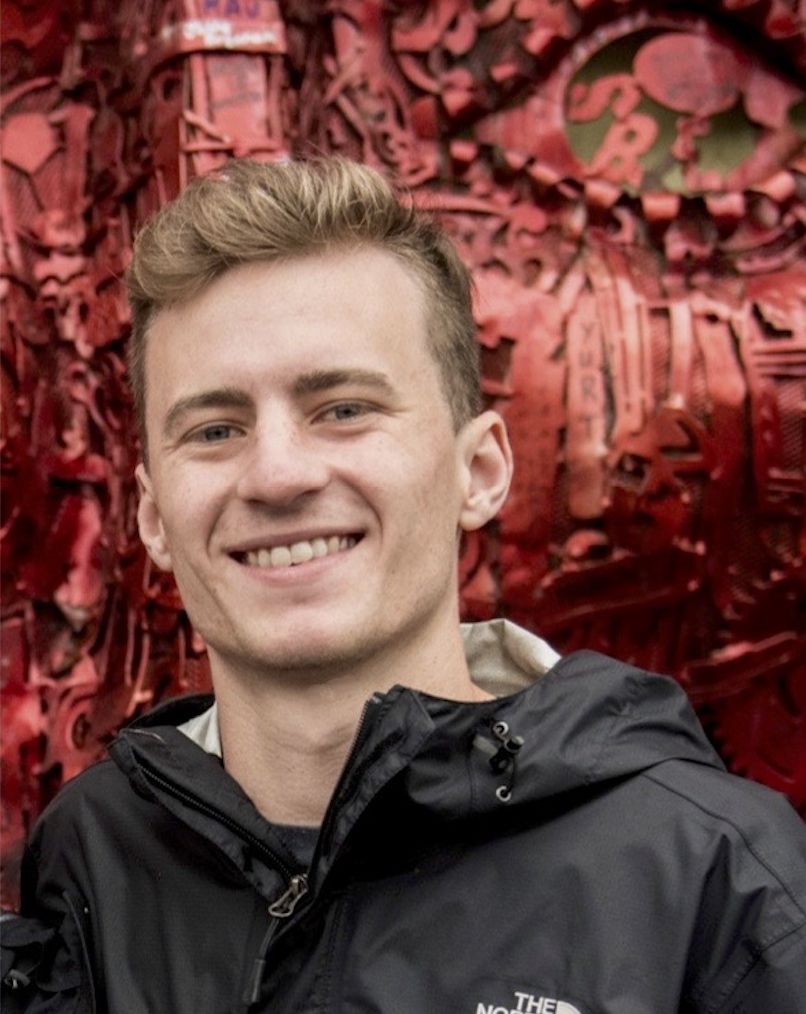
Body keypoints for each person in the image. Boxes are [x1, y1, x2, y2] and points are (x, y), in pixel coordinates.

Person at [15, 158, 806, 1014]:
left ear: (481, 470)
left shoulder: (717, 881)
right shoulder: (92, 862)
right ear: (153, 517)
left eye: (344, 409)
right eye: (214, 429)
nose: (276, 475)